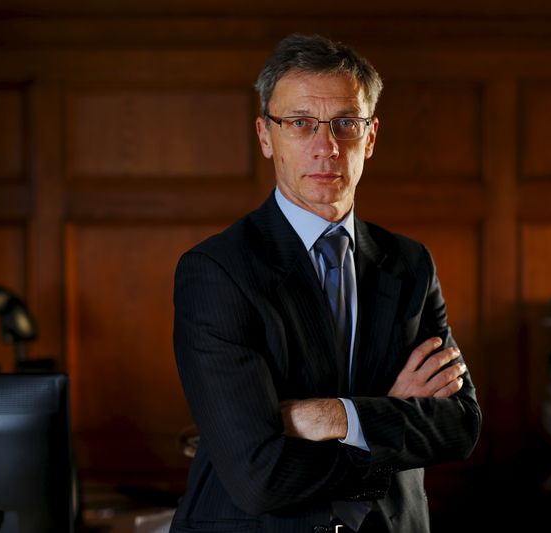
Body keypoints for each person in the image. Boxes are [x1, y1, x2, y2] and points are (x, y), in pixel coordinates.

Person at [171, 33, 481, 533]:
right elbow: (259, 476)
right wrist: (389, 420)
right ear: (266, 136)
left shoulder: (409, 264)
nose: (326, 147)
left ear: (371, 136)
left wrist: (336, 417)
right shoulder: (218, 271)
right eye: (299, 124)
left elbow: (460, 426)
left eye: (345, 124)